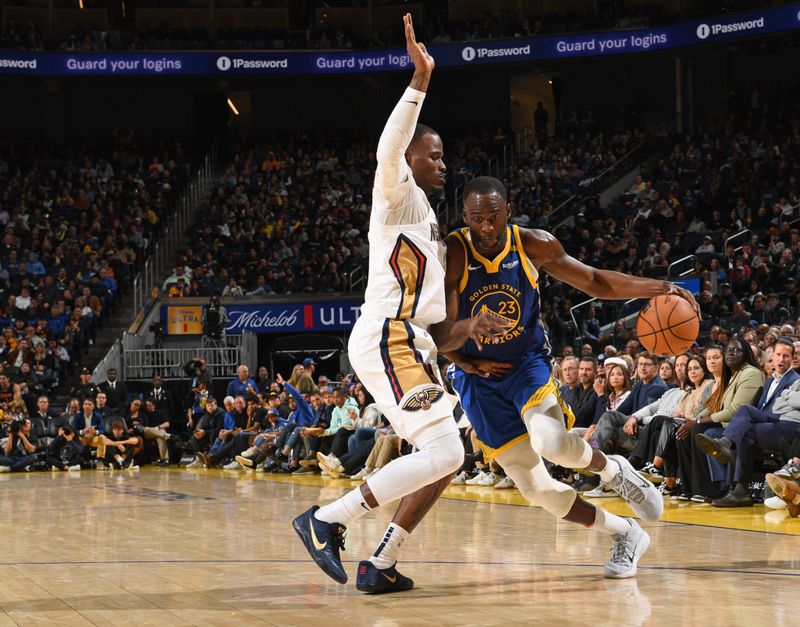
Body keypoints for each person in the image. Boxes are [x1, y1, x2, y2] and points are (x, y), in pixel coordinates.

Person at [292, 14, 506, 595]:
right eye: (434, 156)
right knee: (444, 449)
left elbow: (438, 328)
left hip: (413, 343)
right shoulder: (396, 197)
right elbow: (389, 148)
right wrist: (420, 79)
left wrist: (471, 332)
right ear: (412, 161)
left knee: (448, 457)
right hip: (388, 335)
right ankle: (328, 519)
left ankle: (381, 559)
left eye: (442, 157)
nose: (443, 164)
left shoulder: (429, 223)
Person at [435, 175, 700, 579]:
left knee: (551, 442)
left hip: (525, 363)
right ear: (464, 218)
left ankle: (615, 472)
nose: (486, 228)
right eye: (476, 219)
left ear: (508, 211)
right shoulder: (454, 251)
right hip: (477, 378)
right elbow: (440, 332)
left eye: (493, 217)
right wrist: (467, 351)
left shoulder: (532, 243)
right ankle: (626, 533)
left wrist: (661, 287)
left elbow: (593, 280)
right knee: (536, 489)